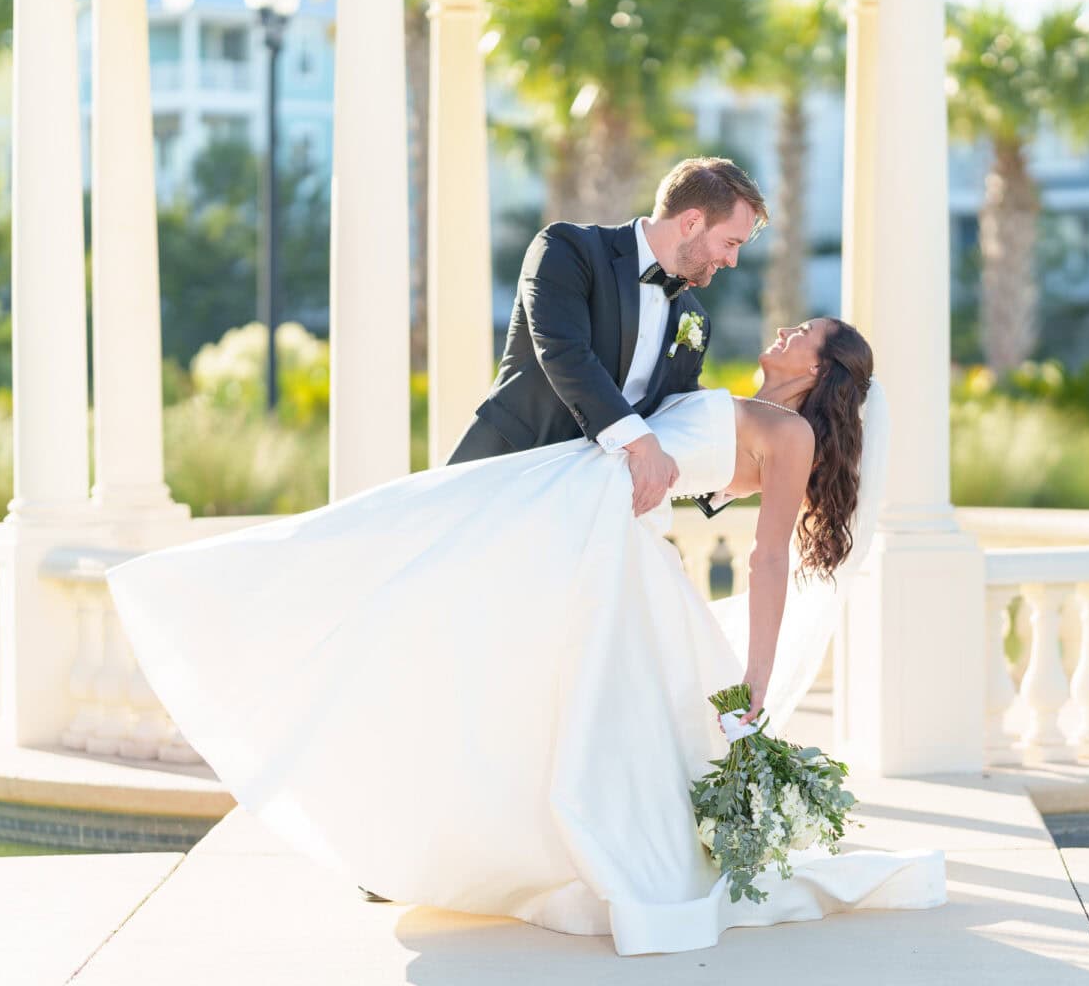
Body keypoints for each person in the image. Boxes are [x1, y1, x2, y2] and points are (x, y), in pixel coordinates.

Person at [106, 318, 946, 957]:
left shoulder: (790, 434)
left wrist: (755, 690)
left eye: (807, 334)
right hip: (569, 503)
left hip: (586, 531)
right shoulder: (748, 402)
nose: (787, 330)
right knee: (404, 561)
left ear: (822, 369)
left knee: (458, 618)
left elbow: (767, 560)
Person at [448, 156, 766, 517]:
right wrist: (641, 444)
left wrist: (736, 469)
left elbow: (677, 413)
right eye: (730, 242)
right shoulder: (567, 249)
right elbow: (564, 354)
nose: (733, 260)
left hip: (588, 512)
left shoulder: (695, 319)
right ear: (692, 222)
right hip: (504, 476)